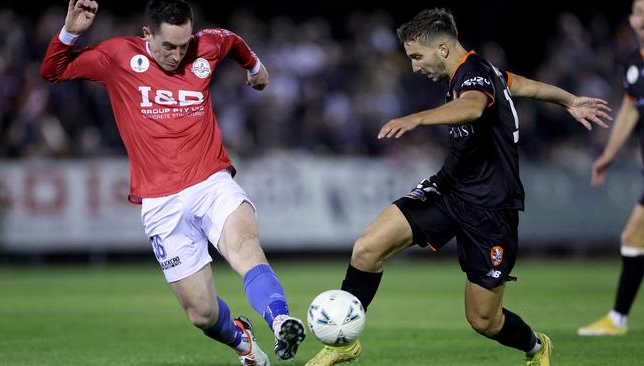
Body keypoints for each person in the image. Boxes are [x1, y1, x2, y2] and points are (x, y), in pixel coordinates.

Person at [305, 7, 611, 366]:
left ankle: (535, 346)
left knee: (484, 320)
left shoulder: (473, 76)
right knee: (367, 249)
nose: (415, 66)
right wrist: (569, 100)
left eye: (418, 56)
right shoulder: (485, 72)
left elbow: (473, 108)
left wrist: (417, 118)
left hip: (491, 206)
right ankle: (343, 345)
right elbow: (522, 84)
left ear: (444, 50)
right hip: (450, 188)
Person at [40, 1, 305, 365]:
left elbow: (230, 40)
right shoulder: (118, 56)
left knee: (244, 246)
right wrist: (70, 33)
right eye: (169, 46)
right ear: (147, 34)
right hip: (160, 200)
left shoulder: (204, 46)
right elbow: (52, 71)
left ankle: (280, 321)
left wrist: (256, 69)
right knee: (202, 314)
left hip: (211, 180)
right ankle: (242, 340)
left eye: (184, 45)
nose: (178, 55)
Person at [578, 0, 644, 337]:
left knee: (633, 234)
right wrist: (609, 153)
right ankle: (617, 319)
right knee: (634, 235)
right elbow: (632, 108)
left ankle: (618, 318)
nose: (642, 17)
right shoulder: (635, 63)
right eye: (637, 11)